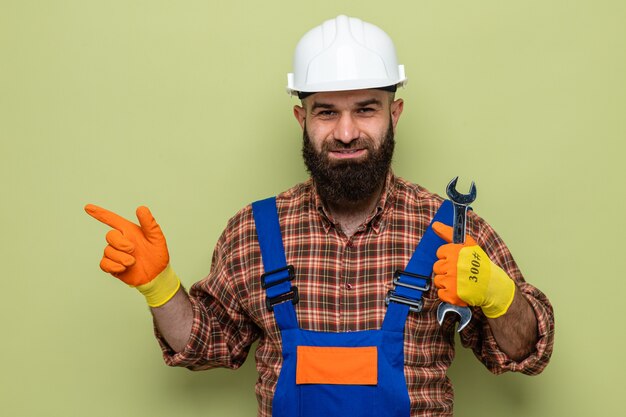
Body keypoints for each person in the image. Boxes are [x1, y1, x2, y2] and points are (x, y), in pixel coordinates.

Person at [85, 15, 554, 417]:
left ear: (396, 113)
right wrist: (161, 288)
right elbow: (210, 344)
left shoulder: (451, 228)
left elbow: (528, 352)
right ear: (301, 120)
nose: (346, 132)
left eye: (366, 110)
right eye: (326, 112)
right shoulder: (253, 231)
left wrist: (498, 296)